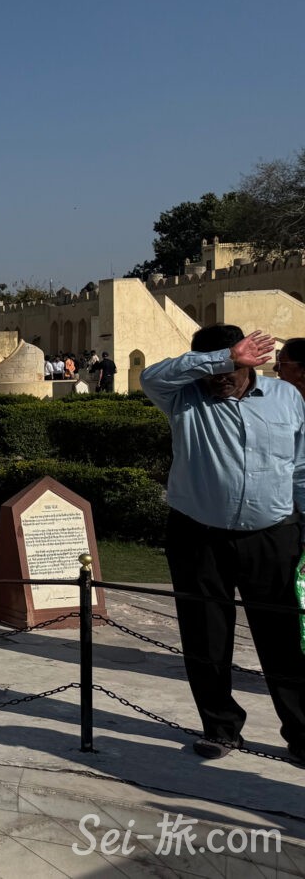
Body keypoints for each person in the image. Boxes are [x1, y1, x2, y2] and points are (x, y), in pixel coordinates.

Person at [141, 325, 305, 762]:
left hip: (272, 535)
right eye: (212, 369)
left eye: (229, 371)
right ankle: (220, 727)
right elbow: (151, 376)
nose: (219, 379)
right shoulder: (183, 397)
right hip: (199, 535)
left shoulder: (286, 398)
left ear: (251, 366)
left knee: (283, 638)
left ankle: (302, 732)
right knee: (206, 636)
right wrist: (224, 358)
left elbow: (300, 467)